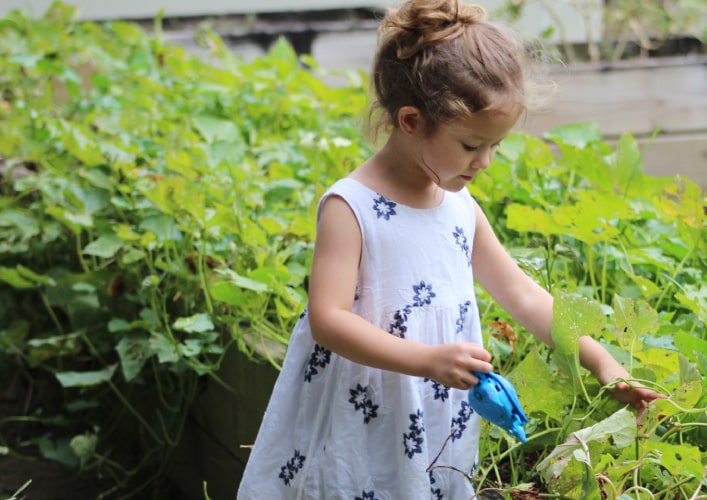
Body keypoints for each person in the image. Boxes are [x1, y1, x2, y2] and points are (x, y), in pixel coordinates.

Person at [237, 0, 665, 498]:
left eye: (495, 147)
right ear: (412, 121)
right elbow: (327, 319)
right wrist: (426, 360)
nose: (484, 162)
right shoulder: (351, 206)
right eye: (470, 145)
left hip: (433, 413)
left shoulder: (460, 208)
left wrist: (603, 364)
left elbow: (524, 297)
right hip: (364, 406)